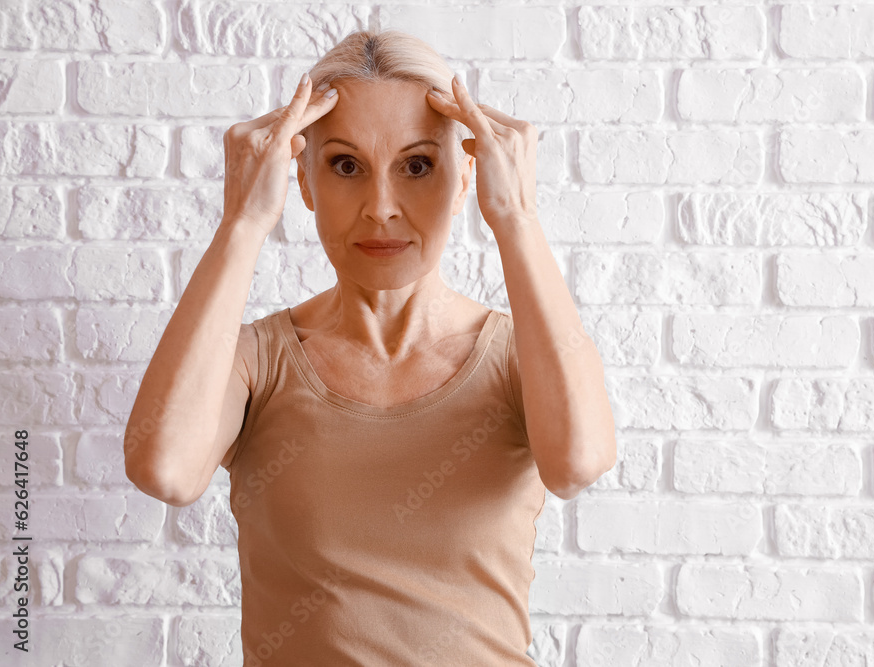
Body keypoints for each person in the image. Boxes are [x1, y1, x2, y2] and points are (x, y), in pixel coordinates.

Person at [123, 27, 617, 665]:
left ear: (465, 176)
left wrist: (516, 218)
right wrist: (242, 222)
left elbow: (577, 464)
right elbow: (163, 468)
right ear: (301, 181)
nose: (381, 207)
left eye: (417, 166)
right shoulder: (257, 363)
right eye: (345, 165)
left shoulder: (518, 356)